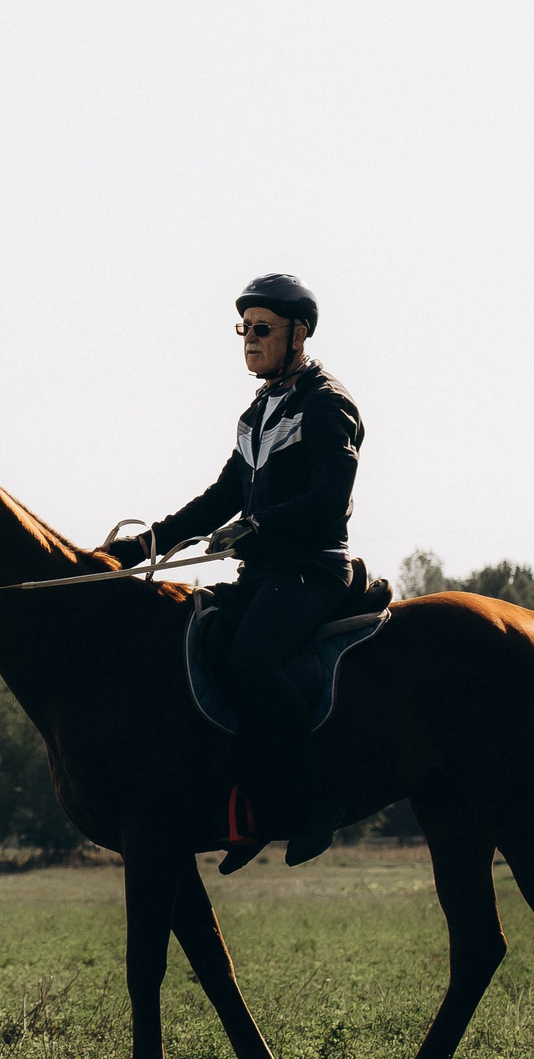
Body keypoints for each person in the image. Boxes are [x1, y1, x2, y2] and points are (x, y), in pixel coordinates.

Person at [106, 273, 363, 871]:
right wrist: (143, 546)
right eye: (244, 327)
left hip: (312, 572)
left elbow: (331, 500)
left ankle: (311, 802)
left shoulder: (328, 404)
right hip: (264, 576)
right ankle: (249, 808)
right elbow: (219, 499)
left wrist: (258, 525)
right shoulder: (255, 414)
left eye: (263, 328)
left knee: (252, 658)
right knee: (208, 642)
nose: (250, 338)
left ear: (299, 334)